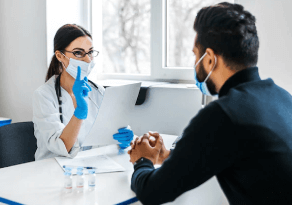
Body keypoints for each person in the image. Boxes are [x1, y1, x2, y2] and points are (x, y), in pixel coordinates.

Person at [128, 2, 292, 205]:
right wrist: (168, 157)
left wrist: (142, 160)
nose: (195, 62)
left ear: (209, 60)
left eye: (195, 55)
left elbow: (151, 193)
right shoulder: (282, 98)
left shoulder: (224, 114)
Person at [33, 24, 133, 161]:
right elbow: (62, 147)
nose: (87, 59)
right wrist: (80, 111)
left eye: (90, 52)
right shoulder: (44, 96)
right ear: (60, 56)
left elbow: (105, 135)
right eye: (78, 53)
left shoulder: (98, 91)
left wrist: (122, 137)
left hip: (90, 165)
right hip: (51, 167)